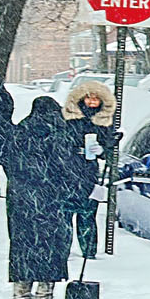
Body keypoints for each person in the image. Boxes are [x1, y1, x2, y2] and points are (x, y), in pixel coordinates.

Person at [4, 97, 76, 299]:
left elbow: (8, 163)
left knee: (23, 250)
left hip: (21, 202)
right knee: (51, 250)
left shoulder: (18, 133)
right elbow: (65, 166)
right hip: (50, 201)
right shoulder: (58, 134)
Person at [61, 79, 117, 259]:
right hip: (67, 170)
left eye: (96, 99)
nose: (92, 102)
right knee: (65, 213)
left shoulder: (104, 122)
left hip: (88, 171)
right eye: (89, 98)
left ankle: (88, 250)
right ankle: (63, 248)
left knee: (87, 212)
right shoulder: (69, 120)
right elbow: (60, 142)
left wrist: (103, 149)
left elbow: (108, 148)